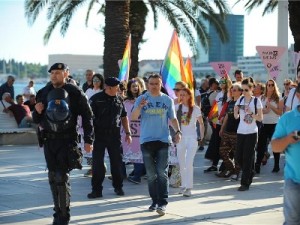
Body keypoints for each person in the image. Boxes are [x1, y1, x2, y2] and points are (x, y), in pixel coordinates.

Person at [32, 62, 94, 225]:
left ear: (66, 73)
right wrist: (36, 111)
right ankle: (57, 212)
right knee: (52, 176)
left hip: (67, 140)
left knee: (61, 175)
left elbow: (88, 116)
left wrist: (89, 139)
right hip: (49, 140)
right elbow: (37, 119)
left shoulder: (75, 92)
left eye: (58, 72)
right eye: (52, 73)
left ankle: (64, 216)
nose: (54, 75)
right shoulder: (43, 92)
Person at [132, 73, 181, 216]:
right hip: (146, 141)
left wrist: (177, 131)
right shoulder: (142, 98)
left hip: (163, 140)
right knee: (152, 175)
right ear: (147, 85)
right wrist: (139, 107)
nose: (154, 86)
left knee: (162, 172)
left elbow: (173, 118)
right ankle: (154, 201)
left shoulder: (167, 100)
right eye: (151, 84)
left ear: (161, 85)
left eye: (156, 84)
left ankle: (162, 203)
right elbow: (133, 117)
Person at [87, 77, 132, 199]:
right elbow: (88, 119)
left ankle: (118, 187)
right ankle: (96, 190)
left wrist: (128, 133)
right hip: (99, 135)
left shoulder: (119, 100)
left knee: (117, 163)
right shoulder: (95, 99)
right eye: (117, 87)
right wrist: (88, 137)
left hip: (114, 136)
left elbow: (124, 117)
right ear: (109, 87)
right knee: (98, 165)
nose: (119, 89)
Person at [271, 98, 300, 225]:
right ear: (298, 95)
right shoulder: (287, 118)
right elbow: (275, 147)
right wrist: (288, 139)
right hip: (294, 182)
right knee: (292, 221)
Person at [234, 78, 263, 191]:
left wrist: (251, 113)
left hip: (252, 132)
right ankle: (250, 171)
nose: (244, 92)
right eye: (242, 90)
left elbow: (260, 118)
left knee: (247, 157)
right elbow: (236, 116)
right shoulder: (240, 100)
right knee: (238, 157)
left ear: (251, 89)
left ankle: (244, 183)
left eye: (246, 90)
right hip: (241, 131)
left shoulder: (256, 101)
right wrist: (236, 111)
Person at [176, 88, 204, 197]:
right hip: (180, 139)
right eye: (180, 95)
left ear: (189, 96)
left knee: (188, 163)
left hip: (192, 138)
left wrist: (201, 136)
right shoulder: (177, 107)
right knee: (181, 163)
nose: (181, 97)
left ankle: (189, 187)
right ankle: (183, 185)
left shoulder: (195, 109)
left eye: (184, 95)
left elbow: (201, 123)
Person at [255, 79, 281, 174]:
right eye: (268, 85)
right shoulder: (262, 98)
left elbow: (279, 112)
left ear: (274, 86)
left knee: (275, 145)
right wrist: (265, 110)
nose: (270, 86)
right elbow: (261, 111)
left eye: (272, 85)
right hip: (264, 124)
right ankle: (257, 165)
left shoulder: (278, 98)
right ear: (266, 86)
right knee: (261, 146)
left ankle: (276, 165)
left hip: (274, 124)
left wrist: (271, 106)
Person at [218, 83, 242, 180]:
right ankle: (231, 169)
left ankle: (236, 172)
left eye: (235, 90)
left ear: (240, 92)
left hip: (237, 132)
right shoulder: (230, 102)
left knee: (237, 154)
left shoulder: (243, 103)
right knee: (222, 151)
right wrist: (222, 128)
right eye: (232, 90)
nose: (232, 91)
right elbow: (227, 115)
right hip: (227, 131)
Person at [83, 73, 104, 177]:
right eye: (94, 80)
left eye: (98, 80)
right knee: (88, 145)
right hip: (89, 120)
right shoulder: (88, 91)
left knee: (98, 145)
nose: (95, 82)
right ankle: (91, 168)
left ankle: (99, 165)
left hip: (99, 121)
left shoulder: (102, 92)